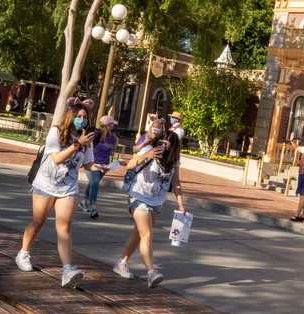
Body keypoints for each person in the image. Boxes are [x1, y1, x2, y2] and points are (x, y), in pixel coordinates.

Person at [14, 97, 97, 288]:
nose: (82, 120)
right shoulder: (56, 132)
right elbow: (57, 159)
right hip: (45, 183)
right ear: (71, 116)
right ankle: (23, 252)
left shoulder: (87, 138)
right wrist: (77, 144)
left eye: (85, 117)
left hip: (68, 187)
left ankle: (68, 269)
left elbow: (88, 164)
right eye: (79, 116)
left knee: (64, 226)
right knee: (39, 221)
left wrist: (103, 167)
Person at [113, 118, 186, 289]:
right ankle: (151, 272)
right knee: (147, 234)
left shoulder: (173, 160)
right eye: (162, 140)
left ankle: (121, 262)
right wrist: (147, 155)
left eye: (168, 141)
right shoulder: (148, 149)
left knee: (138, 234)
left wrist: (181, 204)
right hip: (138, 196)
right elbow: (130, 165)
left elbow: (176, 183)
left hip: (157, 201)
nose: (164, 144)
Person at [80, 115, 119, 219]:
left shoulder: (113, 137)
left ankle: (83, 201)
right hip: (92, 163)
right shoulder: (97, 133)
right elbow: (87, 142)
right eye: (111, 124)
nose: (113, 126)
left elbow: (112, 152)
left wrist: (112, 163)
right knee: (95, 183)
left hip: (104, 165)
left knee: (93, 183)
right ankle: (93, 207)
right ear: (107, 125)